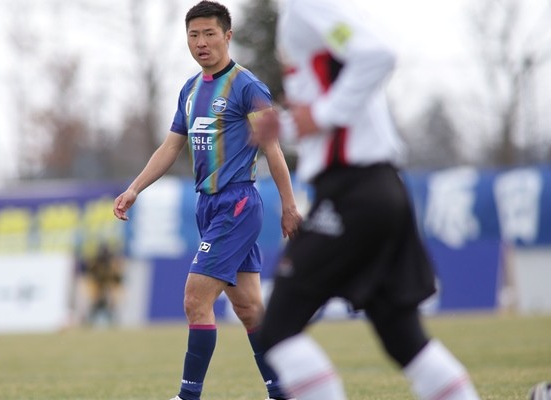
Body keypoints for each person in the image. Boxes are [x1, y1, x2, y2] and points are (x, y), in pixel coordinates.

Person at [251, 0, 482, 399]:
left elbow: (377, 55)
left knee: (278, 330)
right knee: (403, 337)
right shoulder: (322, 11)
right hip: (380, 186)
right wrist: (286, 127)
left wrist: (320, 115)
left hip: (354, 192)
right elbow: (344, 88)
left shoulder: (307, 7)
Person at [113, 2, 302, 399]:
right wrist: (134, 189)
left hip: (237, 204)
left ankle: (188, 396)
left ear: (227, 36)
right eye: (193, 35)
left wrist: (288, 205)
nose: (200, 42)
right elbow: (170, 147)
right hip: (208, 206)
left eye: (209, 34)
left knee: (195, 298)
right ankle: (283, 392)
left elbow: (272, 149)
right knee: (249, 309)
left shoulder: (247, 86)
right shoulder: (190, 89)